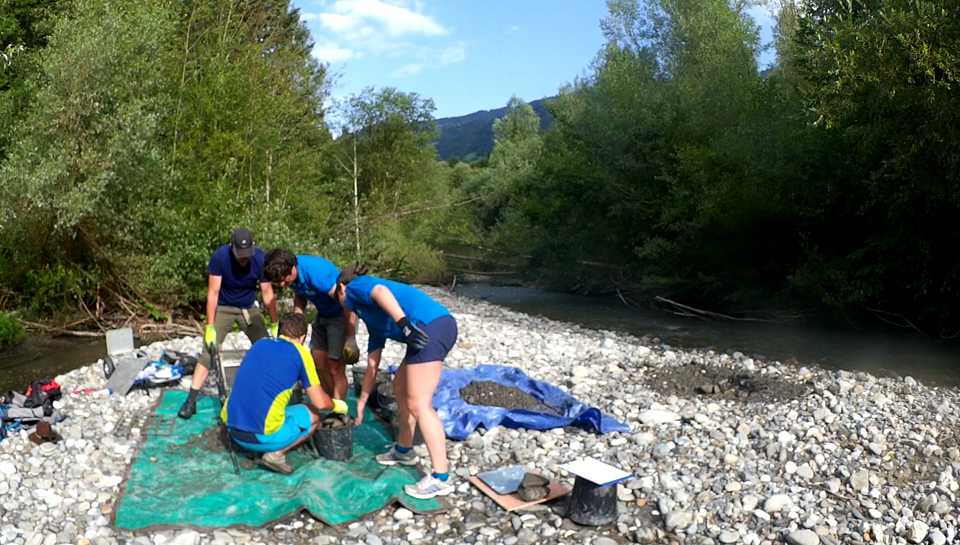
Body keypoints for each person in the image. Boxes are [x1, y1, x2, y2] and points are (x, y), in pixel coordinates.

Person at [336, 266, 458, 499]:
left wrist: (403, 324)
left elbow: (381, 290)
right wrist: (361, 403)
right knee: (400, 389)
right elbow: (373, 366)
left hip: (431, 327)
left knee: (420, 404)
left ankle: (440, 477)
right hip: (425, 332)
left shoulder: (355, 286)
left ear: (341, 287)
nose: (341, 304)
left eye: (338, 296)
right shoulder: (373, 318)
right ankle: (404, 450)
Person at [221, 313, 348, 474]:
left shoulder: (260, 343)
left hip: (233, 430)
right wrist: (337, 405)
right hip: (259, 438)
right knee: (313, 415)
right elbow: (320, 403)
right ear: (302, 338)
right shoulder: (300, 352)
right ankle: (276, 455)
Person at [179, 228, 278, 419]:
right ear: (231, 247)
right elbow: (213, 293)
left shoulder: (260, 258)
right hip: (224, 307)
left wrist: (275, 322)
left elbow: (267, 294)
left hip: (249, 308)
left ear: (253, 247)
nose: (243, 259)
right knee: (209, 351)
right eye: (240, 255)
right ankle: (190, 400)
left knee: (267, 348)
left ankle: (270, 394)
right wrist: (209, 327)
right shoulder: (220, 257)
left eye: (246, 254)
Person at [263, 249, 356, 401]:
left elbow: (346, 300)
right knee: (317, 361)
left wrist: (350, 337)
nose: (283, 284)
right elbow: (301, 296)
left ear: (293, 268)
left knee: (335, 366)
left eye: (284, 280)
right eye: (278, 282)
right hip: (322, 315)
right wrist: (296, 325)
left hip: (340, 316)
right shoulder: (289, 274)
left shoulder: (317, 273)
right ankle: (330, 402)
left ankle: (340, 411)